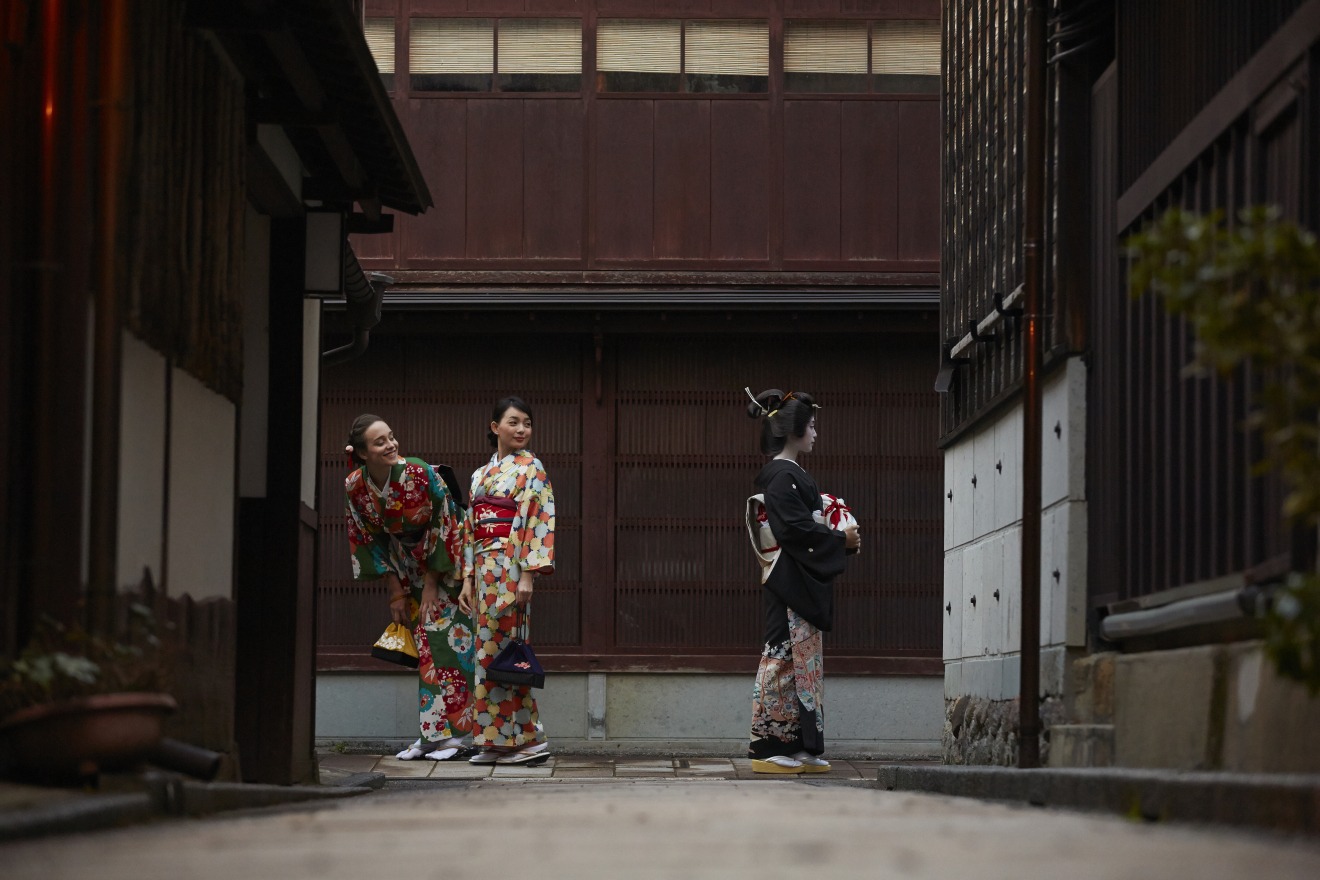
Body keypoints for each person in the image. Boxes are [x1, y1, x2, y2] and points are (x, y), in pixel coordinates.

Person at [344, 414, 475, 761]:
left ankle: (459, 736)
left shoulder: (418, 473)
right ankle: (433, 735)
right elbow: (366, 538)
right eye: (379, 442)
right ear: (360, 453)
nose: (390, 445)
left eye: (391, 437)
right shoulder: (355, 486)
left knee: (449, 642)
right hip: (406, 565)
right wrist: (396, 590)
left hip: (447, 559)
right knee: (425, 645)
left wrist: (432, 581)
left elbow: (446, 518)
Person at [744, 388, 860, 774]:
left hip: (799, 576)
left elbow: (802, 525)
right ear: (793, 429)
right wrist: (839, 539)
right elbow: (793, 530)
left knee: (803, 664)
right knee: (781, 657)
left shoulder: (790, 475)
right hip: (788, 578)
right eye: (811, 425)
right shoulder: (781, 476)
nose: (815, 433)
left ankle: (798, 746)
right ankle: (767, 745)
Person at [458, 396, 556, 765]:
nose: (521, 430)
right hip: (483, 570)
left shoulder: (532, 468)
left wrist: (528, 574)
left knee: (508, 653)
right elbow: (470, 529)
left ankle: (525, 740)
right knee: (487, 656)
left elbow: (538, 518)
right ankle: (497, 742)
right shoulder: (479, 476)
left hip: (511, 566)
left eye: (527, 423)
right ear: (494, 427)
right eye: (513, 422)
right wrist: (467, 579)